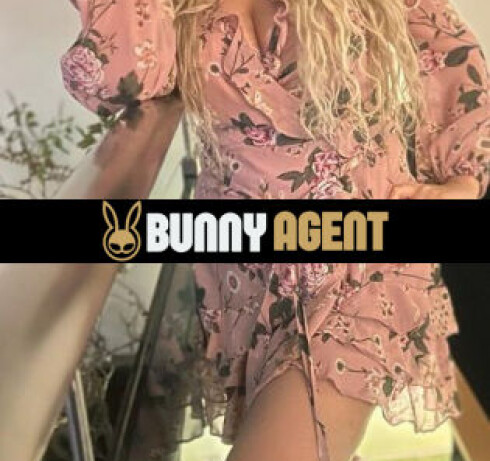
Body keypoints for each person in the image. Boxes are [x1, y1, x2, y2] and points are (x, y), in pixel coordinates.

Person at [60, 1, 490, 460]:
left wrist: (465, 179)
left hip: (360, 272)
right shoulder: (180, 8)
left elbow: (448, 50)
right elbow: (116, 78)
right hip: (248, 286)